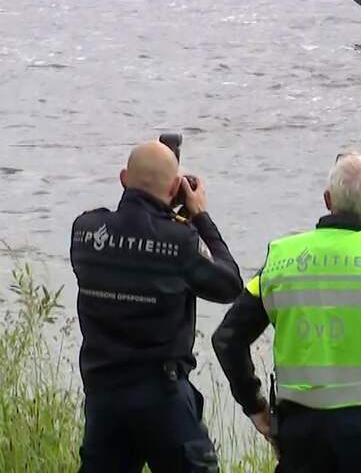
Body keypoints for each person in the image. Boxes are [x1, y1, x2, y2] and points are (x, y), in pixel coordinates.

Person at [212, 153, 361, 473]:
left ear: (327, 200)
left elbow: (228, 339)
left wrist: (256, 408)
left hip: (300, 435)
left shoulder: (282, 258)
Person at [72, 139, 242, 472]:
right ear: (177, 186)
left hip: (104, 397)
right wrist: (199, 217)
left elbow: (132, 247)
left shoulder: (85, 231)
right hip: (162, 398)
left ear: (123, 178)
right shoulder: (180, 241)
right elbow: (229, 284)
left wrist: (168, 219)